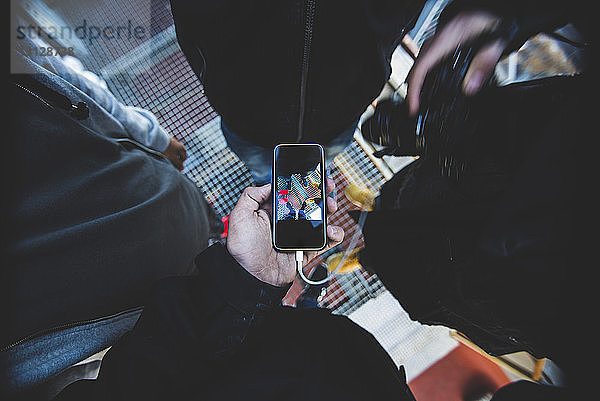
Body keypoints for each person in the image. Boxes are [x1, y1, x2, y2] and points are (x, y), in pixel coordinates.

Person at [354, 0, 591, 399]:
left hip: (473, 262)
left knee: (400, 234)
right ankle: (377, 228)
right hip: (478, 227)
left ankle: (376, 232)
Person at [49, 183, 419, 401]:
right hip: (295, 329)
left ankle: (303, 300)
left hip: (256, 322)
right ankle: (304, 301)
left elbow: (135, 386)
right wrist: (251, 283)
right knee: (306, 310)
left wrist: (242, 286)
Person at [2, 36, 222, 398]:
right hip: (169, 296)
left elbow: (64, 85)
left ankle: (212, 228)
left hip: (173, 206)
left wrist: (153, 138)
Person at [169, 0, 431, 184]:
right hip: (251, 118)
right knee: (273, 175)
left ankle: (276, 187)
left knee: (305, 168)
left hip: (334, 117)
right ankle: (271, 186)